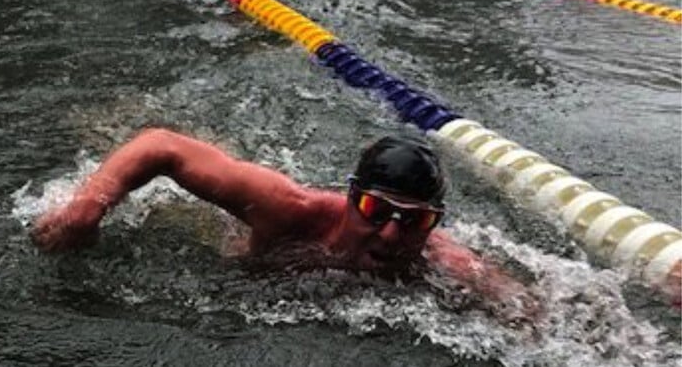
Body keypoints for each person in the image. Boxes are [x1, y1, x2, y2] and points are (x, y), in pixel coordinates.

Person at [32, 129, 540, 320]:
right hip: (229, 244)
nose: (390, 234)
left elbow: (530, 311)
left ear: (434, 225)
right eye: (375, 211)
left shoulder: (443, 262)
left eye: (414, 221)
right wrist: (88, 206)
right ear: (350, 199)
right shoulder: (287, 209)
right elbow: (161, 146)